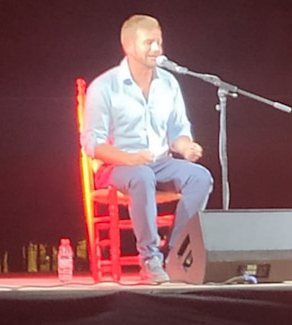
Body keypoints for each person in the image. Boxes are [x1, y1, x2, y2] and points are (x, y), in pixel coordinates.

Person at [82, 15, 213, 284]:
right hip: (116, 167)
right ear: (128, 46)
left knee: (200, 176)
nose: (156, 49)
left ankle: (176, 252)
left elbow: (177, 131)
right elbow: (93, 144)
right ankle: (149, 258)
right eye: (149, 43)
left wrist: (186, 147)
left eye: (159, 42)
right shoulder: (106, 87)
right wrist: (129, 159)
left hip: (159, 162)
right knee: (141, 175)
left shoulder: (168, 83)